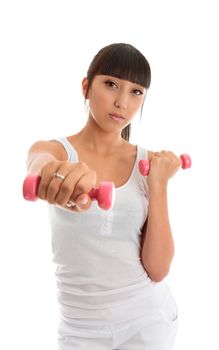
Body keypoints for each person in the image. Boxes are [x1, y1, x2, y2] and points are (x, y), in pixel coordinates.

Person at [26, 43, 180, 350]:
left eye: (136, 92)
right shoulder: (56, 150)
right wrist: (52, 175)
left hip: (146, 319)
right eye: (111, 84)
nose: (122, 102)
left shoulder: (148, 164)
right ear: (86, 87)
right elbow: (39, 163)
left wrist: (158, 185)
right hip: (80, 329)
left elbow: (158, 269)